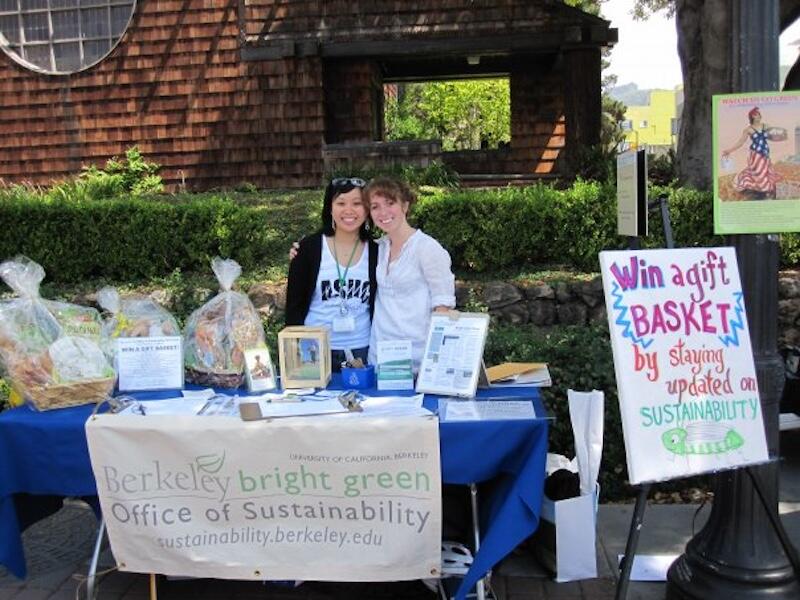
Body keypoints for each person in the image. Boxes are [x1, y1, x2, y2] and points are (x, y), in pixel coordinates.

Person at [285, 177, 377, 371]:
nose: (349, 210)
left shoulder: (378, 252)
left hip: (363, 350)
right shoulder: (308, 249)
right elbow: (294, 306)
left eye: (357, 203)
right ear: (330, 207)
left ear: (367, 209)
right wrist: (294, 353)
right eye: (341, 203)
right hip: (314, 350)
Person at [364, 176, 456, 370]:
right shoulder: (377, 249)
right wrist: (300, 250)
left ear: (405, 206)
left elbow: (443, 308)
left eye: (390, 203)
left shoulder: (427, 248)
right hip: (381, 359)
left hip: (419, 361)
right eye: (375, 206)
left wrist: (434, 363)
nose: (383, 212)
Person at [721, 106, 784, 199]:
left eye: (759, 114)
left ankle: (765, 191)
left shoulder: (766, 126)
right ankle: (761, 191)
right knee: (758, 172)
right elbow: (740, 142)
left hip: (765, 152)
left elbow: (774, 134)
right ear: (752, 117)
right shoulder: (748, 129)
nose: (758, 116)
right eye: (756, 115)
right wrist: (729, 150)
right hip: (755, 154)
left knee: (765, 171)